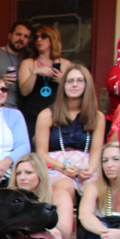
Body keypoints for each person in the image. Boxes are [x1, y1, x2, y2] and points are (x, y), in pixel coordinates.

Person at [35, 64, 104, 200]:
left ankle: (91, 220)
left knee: (98, 189)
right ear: (63, 85)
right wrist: (62, 168)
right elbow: (40, 152)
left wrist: (91, 168)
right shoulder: (46, 115)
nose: (74, 85)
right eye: (70, 81)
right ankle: (66, 221)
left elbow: (97, 150)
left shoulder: (97, 117)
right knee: (65, 186)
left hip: (86, 167)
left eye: (79, 81)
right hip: (55, 167)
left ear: (87, 85)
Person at [18, 24, 72, 142]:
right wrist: (35, 73)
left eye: (43, 36)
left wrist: (64, 81)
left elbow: (75, 92)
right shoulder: (28, 63)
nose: (39, 40)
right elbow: (24, 91)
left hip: (56, 116)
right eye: (36, 37)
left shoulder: (66, 64)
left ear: (53, 38)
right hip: (31, 116)